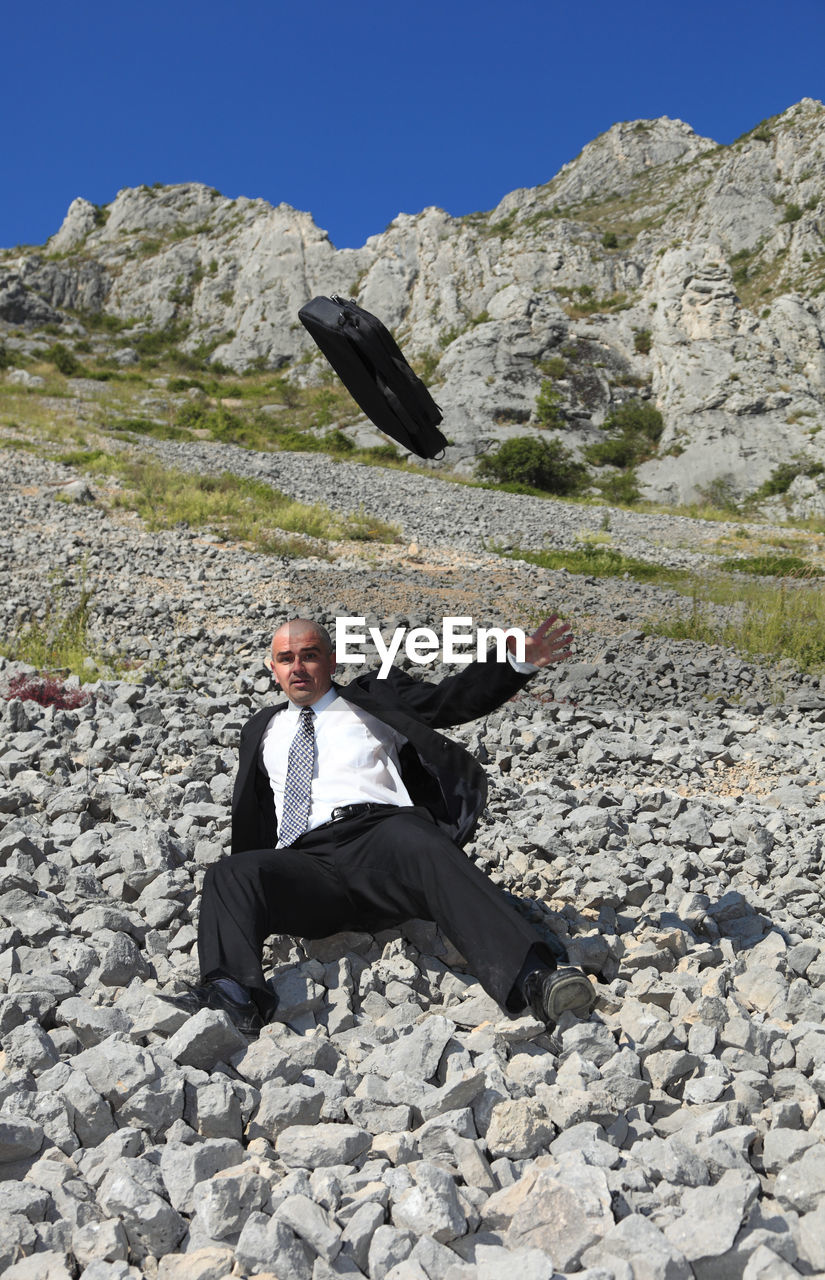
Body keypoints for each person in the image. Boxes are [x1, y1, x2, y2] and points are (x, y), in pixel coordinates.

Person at [168, 615, 596, 1035]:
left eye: (309, 655)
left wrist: (510, 664)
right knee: (229, 873)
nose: (297, 667)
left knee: (418, 840)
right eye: (286, 658)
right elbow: (257, 817)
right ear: (273, 668)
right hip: (307, 865)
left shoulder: (371, 697)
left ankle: (535, 980)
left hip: (381, 840)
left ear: (331, 661)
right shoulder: (262, 729)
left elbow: (450, 701)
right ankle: (232, 998)